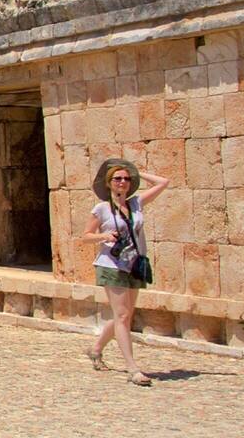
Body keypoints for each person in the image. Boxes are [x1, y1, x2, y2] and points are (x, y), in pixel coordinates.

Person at [82, 158, 170, 387]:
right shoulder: (101, 209)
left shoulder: (136, 204)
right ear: (109, 183)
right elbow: (85, 236)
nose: (123, 182)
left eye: (126, 179)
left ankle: (96, 348)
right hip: (111, 265)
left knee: (125, 314)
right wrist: (104, 236)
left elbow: (163, 182)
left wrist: (136, 170)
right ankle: (133, 369)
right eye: (118, 178)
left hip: (134, 264)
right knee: (122, 316)